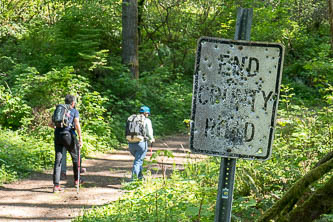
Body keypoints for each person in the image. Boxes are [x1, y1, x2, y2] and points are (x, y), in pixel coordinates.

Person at [50, 95, 83, 192]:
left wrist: (59, 129)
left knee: (58, 159)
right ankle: (77, 180)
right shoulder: (74, 111)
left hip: (57, 135)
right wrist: (80, 138)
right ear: (73, 103)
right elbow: (76, 124)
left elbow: (51, 124)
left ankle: (56, 186)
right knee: (75, 157)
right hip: (68, 135)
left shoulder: (60, 110)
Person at [128, 106, 155, 180]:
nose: (148, 115)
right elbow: (149, 131)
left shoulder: (132, 119)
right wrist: (151, 139)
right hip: (141, 143)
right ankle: (133, 180)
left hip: (130, 143)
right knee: (138, 161)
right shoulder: (146, 120)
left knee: (138, 160)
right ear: (146, 113)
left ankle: (140, 177)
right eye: (148, 114)